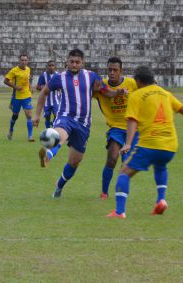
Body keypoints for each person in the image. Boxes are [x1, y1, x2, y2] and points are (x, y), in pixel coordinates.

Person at [107, 66, 183, 219]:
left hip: (149, 144)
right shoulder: (165, 93)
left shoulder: (136, 95)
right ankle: (161, 200)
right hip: (170, 146)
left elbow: (132, 120)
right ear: (153, 80)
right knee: (160, 166)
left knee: (124, 173)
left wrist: (127, 143)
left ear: (137, 81)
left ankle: (119, 212)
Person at [33, 49, 127, 198]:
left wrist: (117, 93)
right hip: (66, 117)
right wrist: (37, 115)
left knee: (74, 161)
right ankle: (48, 155)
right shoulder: (59, 78)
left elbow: (105, 91)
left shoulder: (91, 76)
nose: (74, 64)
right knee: (60, 134)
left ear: (82, 63)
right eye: (71, 61)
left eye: (77, 62)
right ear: (67, 62)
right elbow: (43, 92)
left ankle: (59, 186)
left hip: (84, 125)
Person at [93, 57, 138, 200]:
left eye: (115, 70)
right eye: (109, 70)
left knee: (126, 164)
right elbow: (85, 91)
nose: (111, 73)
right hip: (115, 128)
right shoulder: (102, 85)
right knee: (112, 158)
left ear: (121, 71)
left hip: (133, 129)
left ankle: (121, 196)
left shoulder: (132, 83)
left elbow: (149, 88)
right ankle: (104, 192)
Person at [4, 54, 35, 142]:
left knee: (29, 115)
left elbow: (27, 80)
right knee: (15, 116)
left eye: (25, 60)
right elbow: (5, 81)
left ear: (27, 61)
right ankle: (11, 130)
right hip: (17, 97)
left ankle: (30, 136)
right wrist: (16, 87)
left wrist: (30, 87)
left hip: (26, 96)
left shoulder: (28, 69)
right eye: (22, 60)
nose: (24, 62)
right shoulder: (14, 71)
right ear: (19, 61)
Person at [36, 60, 60, 128]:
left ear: (55, 67)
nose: (51, 67)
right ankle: (47, 130)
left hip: (56, 100)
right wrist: (45, 89)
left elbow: (61, 86)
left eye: (53, 65)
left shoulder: (58, 75)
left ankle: (54, 125)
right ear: (47, 66)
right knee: (47, 116)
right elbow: (38, 87)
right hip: (46, 101)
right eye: (50, 65)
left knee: (57, 115)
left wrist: (59, 88)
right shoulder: (43, 75)